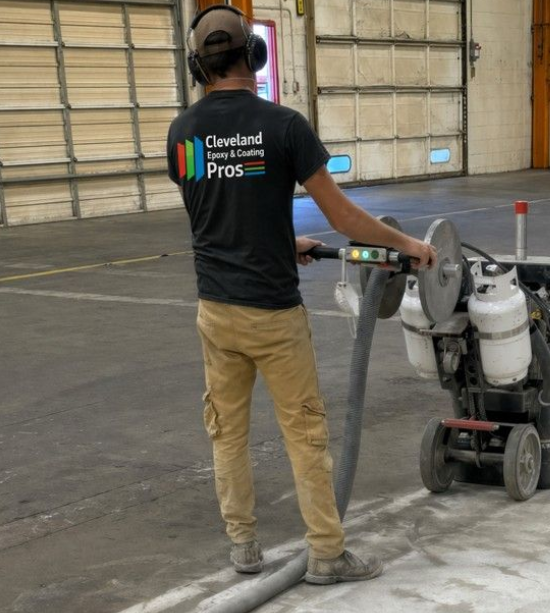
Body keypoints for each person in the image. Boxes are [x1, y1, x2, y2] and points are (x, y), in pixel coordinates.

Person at [167, 5, 436, 585]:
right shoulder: (284, 127)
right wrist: (408, 243)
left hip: (215, 311)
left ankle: (242, 547)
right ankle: (326, 553)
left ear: (198, 67)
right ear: (255, 56)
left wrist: (280, 241)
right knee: (305, 433)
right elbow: (345, 219)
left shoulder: (182, 133)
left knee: (226, 432)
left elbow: (215, 213)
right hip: (273, 315)